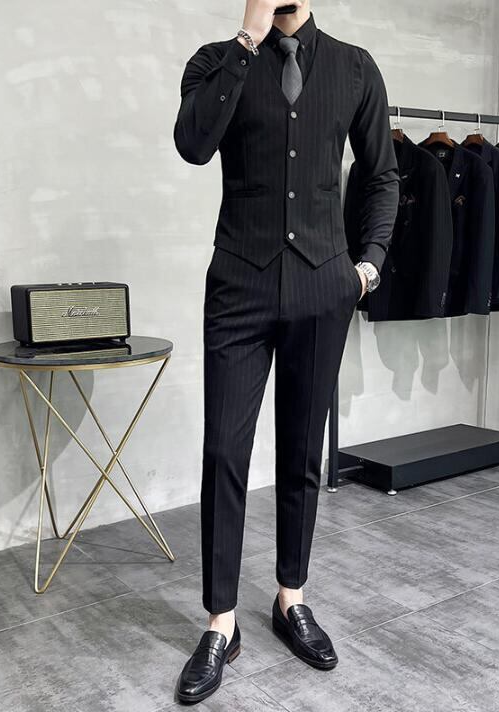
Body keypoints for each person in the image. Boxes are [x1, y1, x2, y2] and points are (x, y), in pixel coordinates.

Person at [172, 0, 399, 703]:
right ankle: (220, 621)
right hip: (238, 283)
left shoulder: (355, 68)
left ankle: (289, 597)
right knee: (223, 451)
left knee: (302, 451)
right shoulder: (216, 61)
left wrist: (368, 264)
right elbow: (193, 144)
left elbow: (382, 174)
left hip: (323, 284)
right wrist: (248, 38)